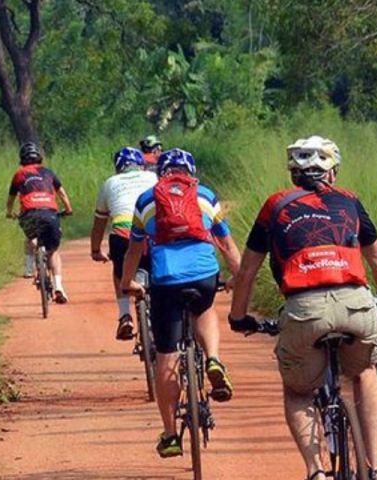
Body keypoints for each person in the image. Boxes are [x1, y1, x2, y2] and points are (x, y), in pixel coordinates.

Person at [227, 136, 377, 480]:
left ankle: (315, 470)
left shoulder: (275, 206)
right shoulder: (351, 201)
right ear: (332, 173)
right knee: (365, 371)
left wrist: (238, 317)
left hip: (305, 310)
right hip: (356, 304)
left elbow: (247, 271)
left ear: (294, 175)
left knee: (298, 389)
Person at [120, 148, 242, 458]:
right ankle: (213, 358)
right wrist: (239, 276)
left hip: (165, 280)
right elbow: (226, 244)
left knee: (166, 354)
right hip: (203, 274)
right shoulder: (206, 195)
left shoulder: (146, 200)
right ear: (191, 172)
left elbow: (134, 251)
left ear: (161, 173)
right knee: (205, 307)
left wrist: (126, 283)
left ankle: (171, 434)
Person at [90, 146, 158, 339]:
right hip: (151, 233)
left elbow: (99, 224)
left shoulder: (110, 183)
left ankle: (125, 316)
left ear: (118, 167)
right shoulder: (153, 178)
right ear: (141, 165)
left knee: (119, 271)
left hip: (122, 235)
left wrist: (95, 250)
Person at [6, 142, 74, 303]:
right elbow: (62, 194)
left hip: (29, 214)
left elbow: (11, 199)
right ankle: (58, 286)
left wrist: (9, 213)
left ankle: (29, 268)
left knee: (30, 238)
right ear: (39, 157)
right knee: (53, 251)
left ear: (22, 159)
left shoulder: (19, 175)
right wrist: (68, 209)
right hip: (50, 214)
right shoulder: (48, 173)